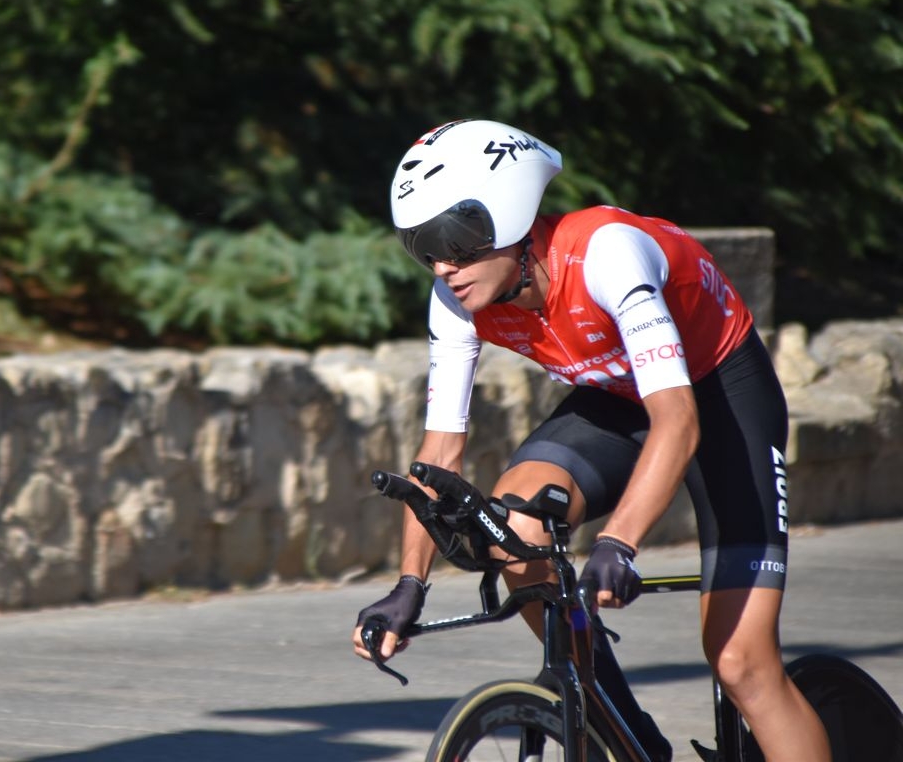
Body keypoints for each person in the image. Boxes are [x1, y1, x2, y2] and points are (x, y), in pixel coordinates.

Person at [351, 119, 830, 761]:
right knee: (513, 531)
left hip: (717, 395)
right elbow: (437, 455)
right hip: (618, 396)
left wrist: (617, 544)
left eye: (453, 241)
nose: (442, 265)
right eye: (422, 247)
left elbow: (679, 420)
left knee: (742, 663)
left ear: (510, 215)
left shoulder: (607, 253)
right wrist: (410, 584)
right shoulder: (456, 300)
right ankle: (623, 733)